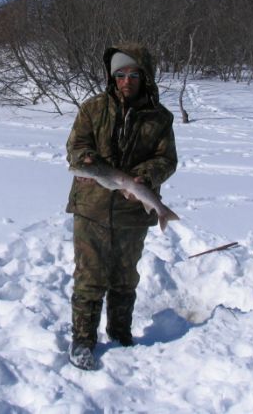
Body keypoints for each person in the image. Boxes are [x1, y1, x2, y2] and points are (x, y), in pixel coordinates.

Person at [65, 42, 178, 370]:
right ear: (112, 77)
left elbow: (166, 159)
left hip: (133, 210)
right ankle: (83, 340)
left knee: (125, 276)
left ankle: (120, 332)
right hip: (91, 208)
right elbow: (76, 145)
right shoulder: (92, 108)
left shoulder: (160, 118)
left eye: (132, 74)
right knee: (90, 275)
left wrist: (144, 177)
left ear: (144, 76)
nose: (126, 80)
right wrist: (85, 159)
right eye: (120, 74)